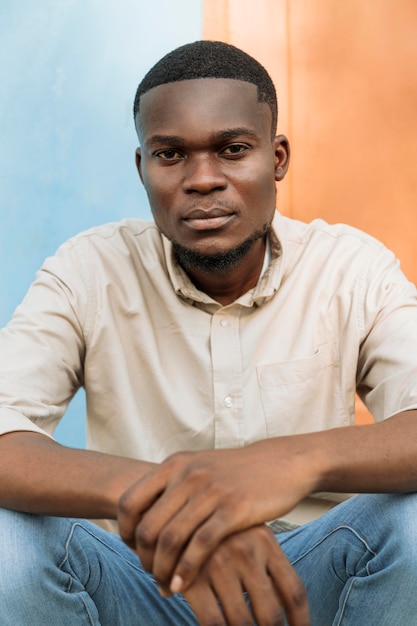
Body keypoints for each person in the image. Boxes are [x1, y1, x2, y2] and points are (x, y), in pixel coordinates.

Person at [0, 39, 417, 626]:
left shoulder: (352, 267)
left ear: (277, 159)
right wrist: (179, 502)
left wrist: (290, 462)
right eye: (171, 155)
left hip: (307, 580)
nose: (202, 180)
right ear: (142, 167)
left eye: (233, 149)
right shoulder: (88, 269)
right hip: (139, 582)